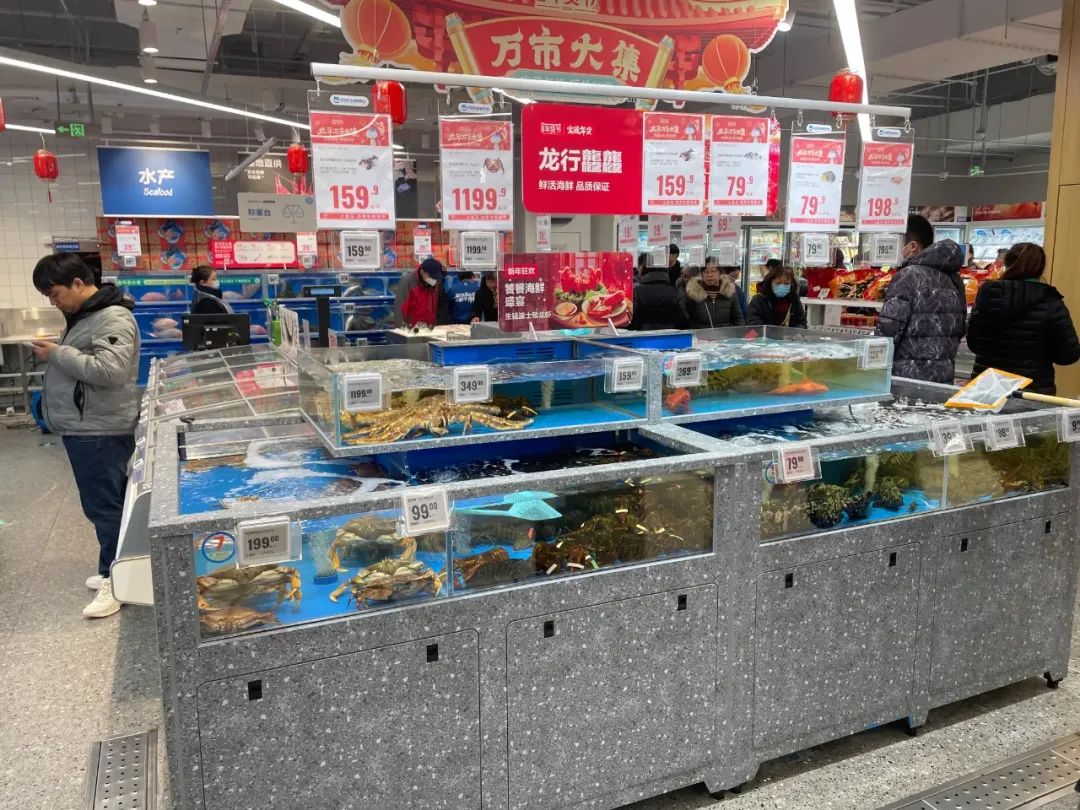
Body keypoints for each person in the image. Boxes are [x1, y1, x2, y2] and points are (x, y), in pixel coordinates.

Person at [30, 253, 140, 619]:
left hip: (100, 429)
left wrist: (57, 354)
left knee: (105, 507)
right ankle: (114, 568)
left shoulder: (112, 317)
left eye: (55, 293)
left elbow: (111, 372)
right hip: (87, 425)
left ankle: (118, 581)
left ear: (78, 283)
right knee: (104, 504)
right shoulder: (87, 316)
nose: (53, 302)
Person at [967, 243, 1080, 394]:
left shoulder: (987, 295)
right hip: (1031, 391)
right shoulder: (1051, 302)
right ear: (1040, 267)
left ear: (1007, 264)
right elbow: (1069, 355)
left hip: (987, 388)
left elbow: (973, 343)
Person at [876, 215, 967, 383]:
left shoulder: (908, 276)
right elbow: (960, 328)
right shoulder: (954, 278)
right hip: (943, 376)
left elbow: (888, 331)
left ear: (912, 246)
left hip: (905, 377)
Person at [683, 263, 745, 329]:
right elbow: (685, 320)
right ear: (701, 274)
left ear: (720, 273)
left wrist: (739, 333)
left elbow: (737, 318)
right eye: (706, 271)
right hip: (700, 334)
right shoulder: (692, 293)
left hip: (725, 334)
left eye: (713, 271)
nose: (710, 275)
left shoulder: (729, 291)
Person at [630, 265, 690, 330]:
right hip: (669, 333)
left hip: (643, 333)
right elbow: (683, 319)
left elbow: (631, 318)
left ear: (644, 272)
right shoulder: (675, 292)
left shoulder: (637, 292)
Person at [402, 258, 450, 328]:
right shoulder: (409, 283)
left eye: (437, 278)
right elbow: (401, 310)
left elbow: (442, 307)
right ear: (422, 272)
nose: (435, 280)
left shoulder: (438, 284)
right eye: (432, 277)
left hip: (433, 329)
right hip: (413, 330)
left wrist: (440, 326)